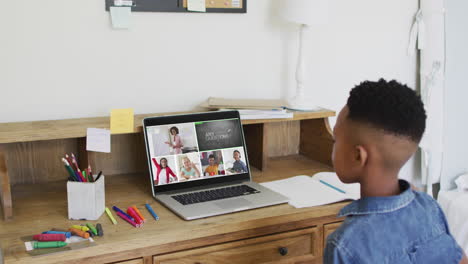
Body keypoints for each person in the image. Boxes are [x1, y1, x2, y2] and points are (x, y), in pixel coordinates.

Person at [324, 79, 468, 264]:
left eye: (336, 139)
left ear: (358, 156)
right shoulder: (428, 206)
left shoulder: (344, 244)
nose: (333, 146)